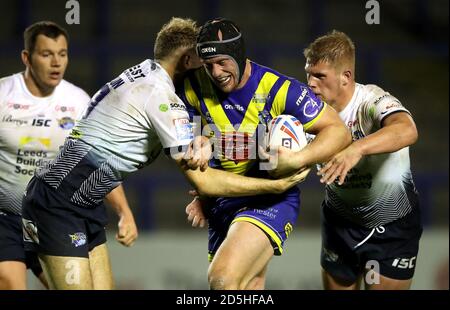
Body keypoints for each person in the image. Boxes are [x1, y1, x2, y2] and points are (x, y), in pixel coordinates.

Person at [20, 17, 306, 290]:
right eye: (201, 61)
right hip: (58, 201)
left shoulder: (142, 74)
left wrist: (205, 141)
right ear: (186, 60)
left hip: (84, 201)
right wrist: (275, 185)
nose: (209, 70)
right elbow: (204, 181)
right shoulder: (164, 98)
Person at [178, 18, 351, 290]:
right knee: (249, 286)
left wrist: (297, 158)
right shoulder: (192, 87)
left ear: (238, 53)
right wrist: (200, 158)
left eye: (223, 61)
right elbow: (194, 134)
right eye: (208, 64)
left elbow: (339, 131)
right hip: (222, 202)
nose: (216, 71)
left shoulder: (278, 88)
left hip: (270, 199)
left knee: (222, 279)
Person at [0, 21, 137, 290]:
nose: (56, 63)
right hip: (6, 217)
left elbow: (98, 162)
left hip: (53, 215)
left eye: (62, 54)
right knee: (10, 283)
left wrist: (124, 212)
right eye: (46, 54)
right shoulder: (3, 95)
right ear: (27, 57)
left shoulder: (78, 102)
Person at [303, 30, 422, 290]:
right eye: (308, 74)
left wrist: (356, 148)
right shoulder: (305, 111)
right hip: (340, 221)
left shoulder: (370, 101)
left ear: (346, 77)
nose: (311, 83)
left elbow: (407, 129)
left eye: (320, 76)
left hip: (392, 224)